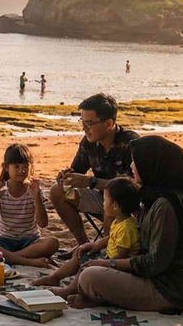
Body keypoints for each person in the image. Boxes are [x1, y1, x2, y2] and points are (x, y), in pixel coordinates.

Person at [70, 135, 183, 311]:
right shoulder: (150, 196)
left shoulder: (165, 205)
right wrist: (98, 245)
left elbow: (153, 263)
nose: (131, 167)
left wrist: (110, 264)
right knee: (91, 261)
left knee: (90, 277)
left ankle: (98, 299)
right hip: (151, 278)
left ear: (152, 165)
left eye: (135, 161)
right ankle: (96, 297)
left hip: (169, 291)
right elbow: (135, 237)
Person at [51, 93, 139, 250]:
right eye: (82, 122)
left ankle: (107, 249)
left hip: (126, 203)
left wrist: (91, 182)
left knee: (112, 201)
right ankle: (84, 246)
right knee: (57, 191)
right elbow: (77, 170)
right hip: (102, 197)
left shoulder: (130, 143)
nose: (84, 128)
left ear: (108, 123)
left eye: (89, 123)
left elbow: (134, 186)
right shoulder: (88, 142)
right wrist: (67, 176)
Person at [32, 177, 141, 297]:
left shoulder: (126, 227)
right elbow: (112, 238)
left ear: (115, 206)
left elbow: (121, 255)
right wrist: (96, 244)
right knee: (81, 255)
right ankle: (54, 277)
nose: (103, 203)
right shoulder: (120, 221)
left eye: (105, 200)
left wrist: (101, 262)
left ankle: (69, 291)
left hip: (118, 266)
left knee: (86, 266)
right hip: (109, 257)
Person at [0, 144, 59, 267]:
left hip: (29, 242)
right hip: (3, 240)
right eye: (16, 166)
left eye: (25, 166)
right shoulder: (1, 189)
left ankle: (7, 257)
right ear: (6, 167)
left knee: (52, 243)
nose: (22, 170)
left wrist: (37, 198)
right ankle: (26, 260)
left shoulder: (34, 190)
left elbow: (43, 223)